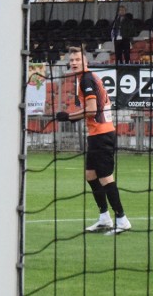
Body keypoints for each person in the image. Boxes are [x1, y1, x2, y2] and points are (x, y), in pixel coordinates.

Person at [55, 46, 130, 235]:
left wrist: (68, 117)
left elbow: (91, 110)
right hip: (97, 134)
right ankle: (104, 218)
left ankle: (122, 219)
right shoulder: (86, 78)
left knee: (105, 178)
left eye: (77, 60)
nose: (73, 63)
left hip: (102, 135)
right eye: (71, 60)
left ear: (85, 61)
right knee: (90, 175)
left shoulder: (86, 80)